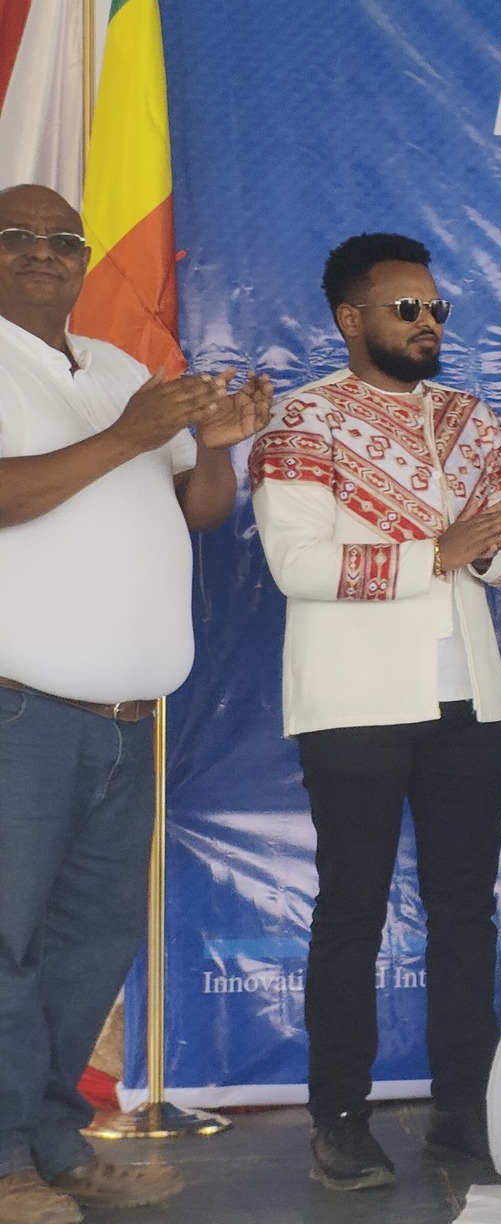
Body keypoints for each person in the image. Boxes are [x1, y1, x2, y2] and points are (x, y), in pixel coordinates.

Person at [0, 184, 266, 1224]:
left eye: (62, 240)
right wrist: (128, 433)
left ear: (83, 260)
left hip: (128, 722)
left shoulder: (115, 367)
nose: (41, 252)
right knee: (6, 946)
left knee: (88, 947)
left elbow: (199, 512)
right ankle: (4, 1162)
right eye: (16, 236)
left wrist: (216, 445)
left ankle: (53, 1144)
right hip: (21, 714)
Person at [250, 234, 501, 1191]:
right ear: (351, 319)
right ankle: (340, 1121)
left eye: (436, 309)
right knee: (351, 911)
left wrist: (489, 550)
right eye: (406, 309)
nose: (427, 323)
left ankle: (464, 1109)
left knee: (466, 912)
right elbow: (296, 564)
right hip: (353, 701)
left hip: (468, 699)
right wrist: (439, 552)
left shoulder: (468, 418)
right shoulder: (304, 420)